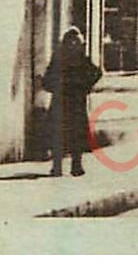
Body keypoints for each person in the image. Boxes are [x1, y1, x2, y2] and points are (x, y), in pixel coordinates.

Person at [43, 26, 101, 177]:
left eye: (76, 42)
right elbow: (48, 79)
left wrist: (85, 85)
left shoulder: (81, 59)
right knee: (59, 135)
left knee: (75, 136)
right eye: (71, 42)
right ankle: (58, 166)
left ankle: (76, 166)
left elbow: (96, 73)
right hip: (64, 102)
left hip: (72, 102)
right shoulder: (60, 59)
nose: (74, 45)